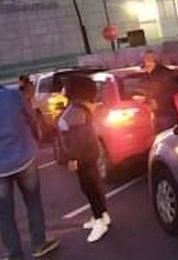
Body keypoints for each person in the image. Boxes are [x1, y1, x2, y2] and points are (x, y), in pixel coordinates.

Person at [0, 85, 60, 260]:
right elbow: (32, 118)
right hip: (24, 157)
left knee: (4, 214)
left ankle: (14, 254)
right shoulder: (13, 95)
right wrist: (35, 139)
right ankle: (39, 244)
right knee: (33, 202)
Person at [58, 75, 111, 243]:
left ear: (74, 90)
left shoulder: (77, 110)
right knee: (92, 185)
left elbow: (79, 138)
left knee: (89, 187)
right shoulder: (78, 107)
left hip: (83, 155)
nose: (62, 90)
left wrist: (73, 158)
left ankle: (99, 221)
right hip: (87, 154)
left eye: (65, 87)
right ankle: (102, 215)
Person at [142, 49, 178, 133]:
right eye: (146, 59)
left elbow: (171, 90)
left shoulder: (164, 73)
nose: (148, 61)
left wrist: (158, 102)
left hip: (166, 113)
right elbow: (147, 91)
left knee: (168, 135)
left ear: (155, 59)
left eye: (150, 59)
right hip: (154, 114)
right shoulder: (146, 75)